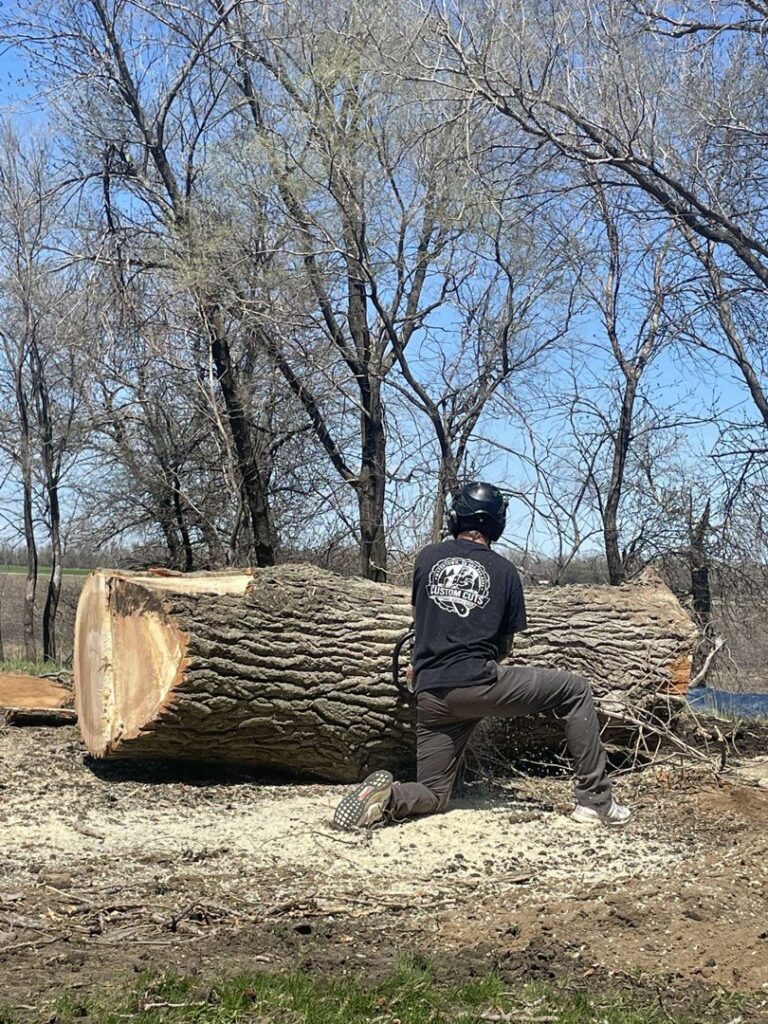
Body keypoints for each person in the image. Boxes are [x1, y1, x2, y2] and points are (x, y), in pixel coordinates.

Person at [332, 481, 631, 831]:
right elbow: (504, 649)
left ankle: (389, 800)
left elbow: (419, 620)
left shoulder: (427, 557)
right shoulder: (504, 572)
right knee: (575, 689)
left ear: (457, 517)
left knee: (433, 791)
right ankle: (596, 801)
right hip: (480, 685)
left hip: (430, 695)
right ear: (496, 523)